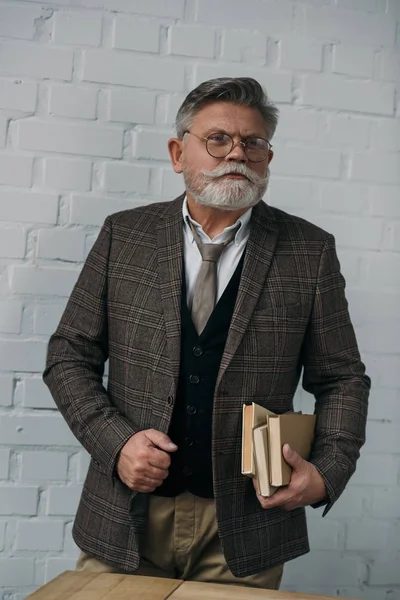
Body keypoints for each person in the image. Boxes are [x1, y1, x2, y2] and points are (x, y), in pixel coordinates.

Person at [43, 77, 370, 590]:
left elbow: (343, 377)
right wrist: (117, 443)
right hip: (125, 514)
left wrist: (327, 471)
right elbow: (68, 356)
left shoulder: (310, 251)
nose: (236, 153)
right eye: (218, 139)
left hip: (247, 524)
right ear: (178, 153)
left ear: (268, 157)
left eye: (253, 143)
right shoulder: (122, 236)